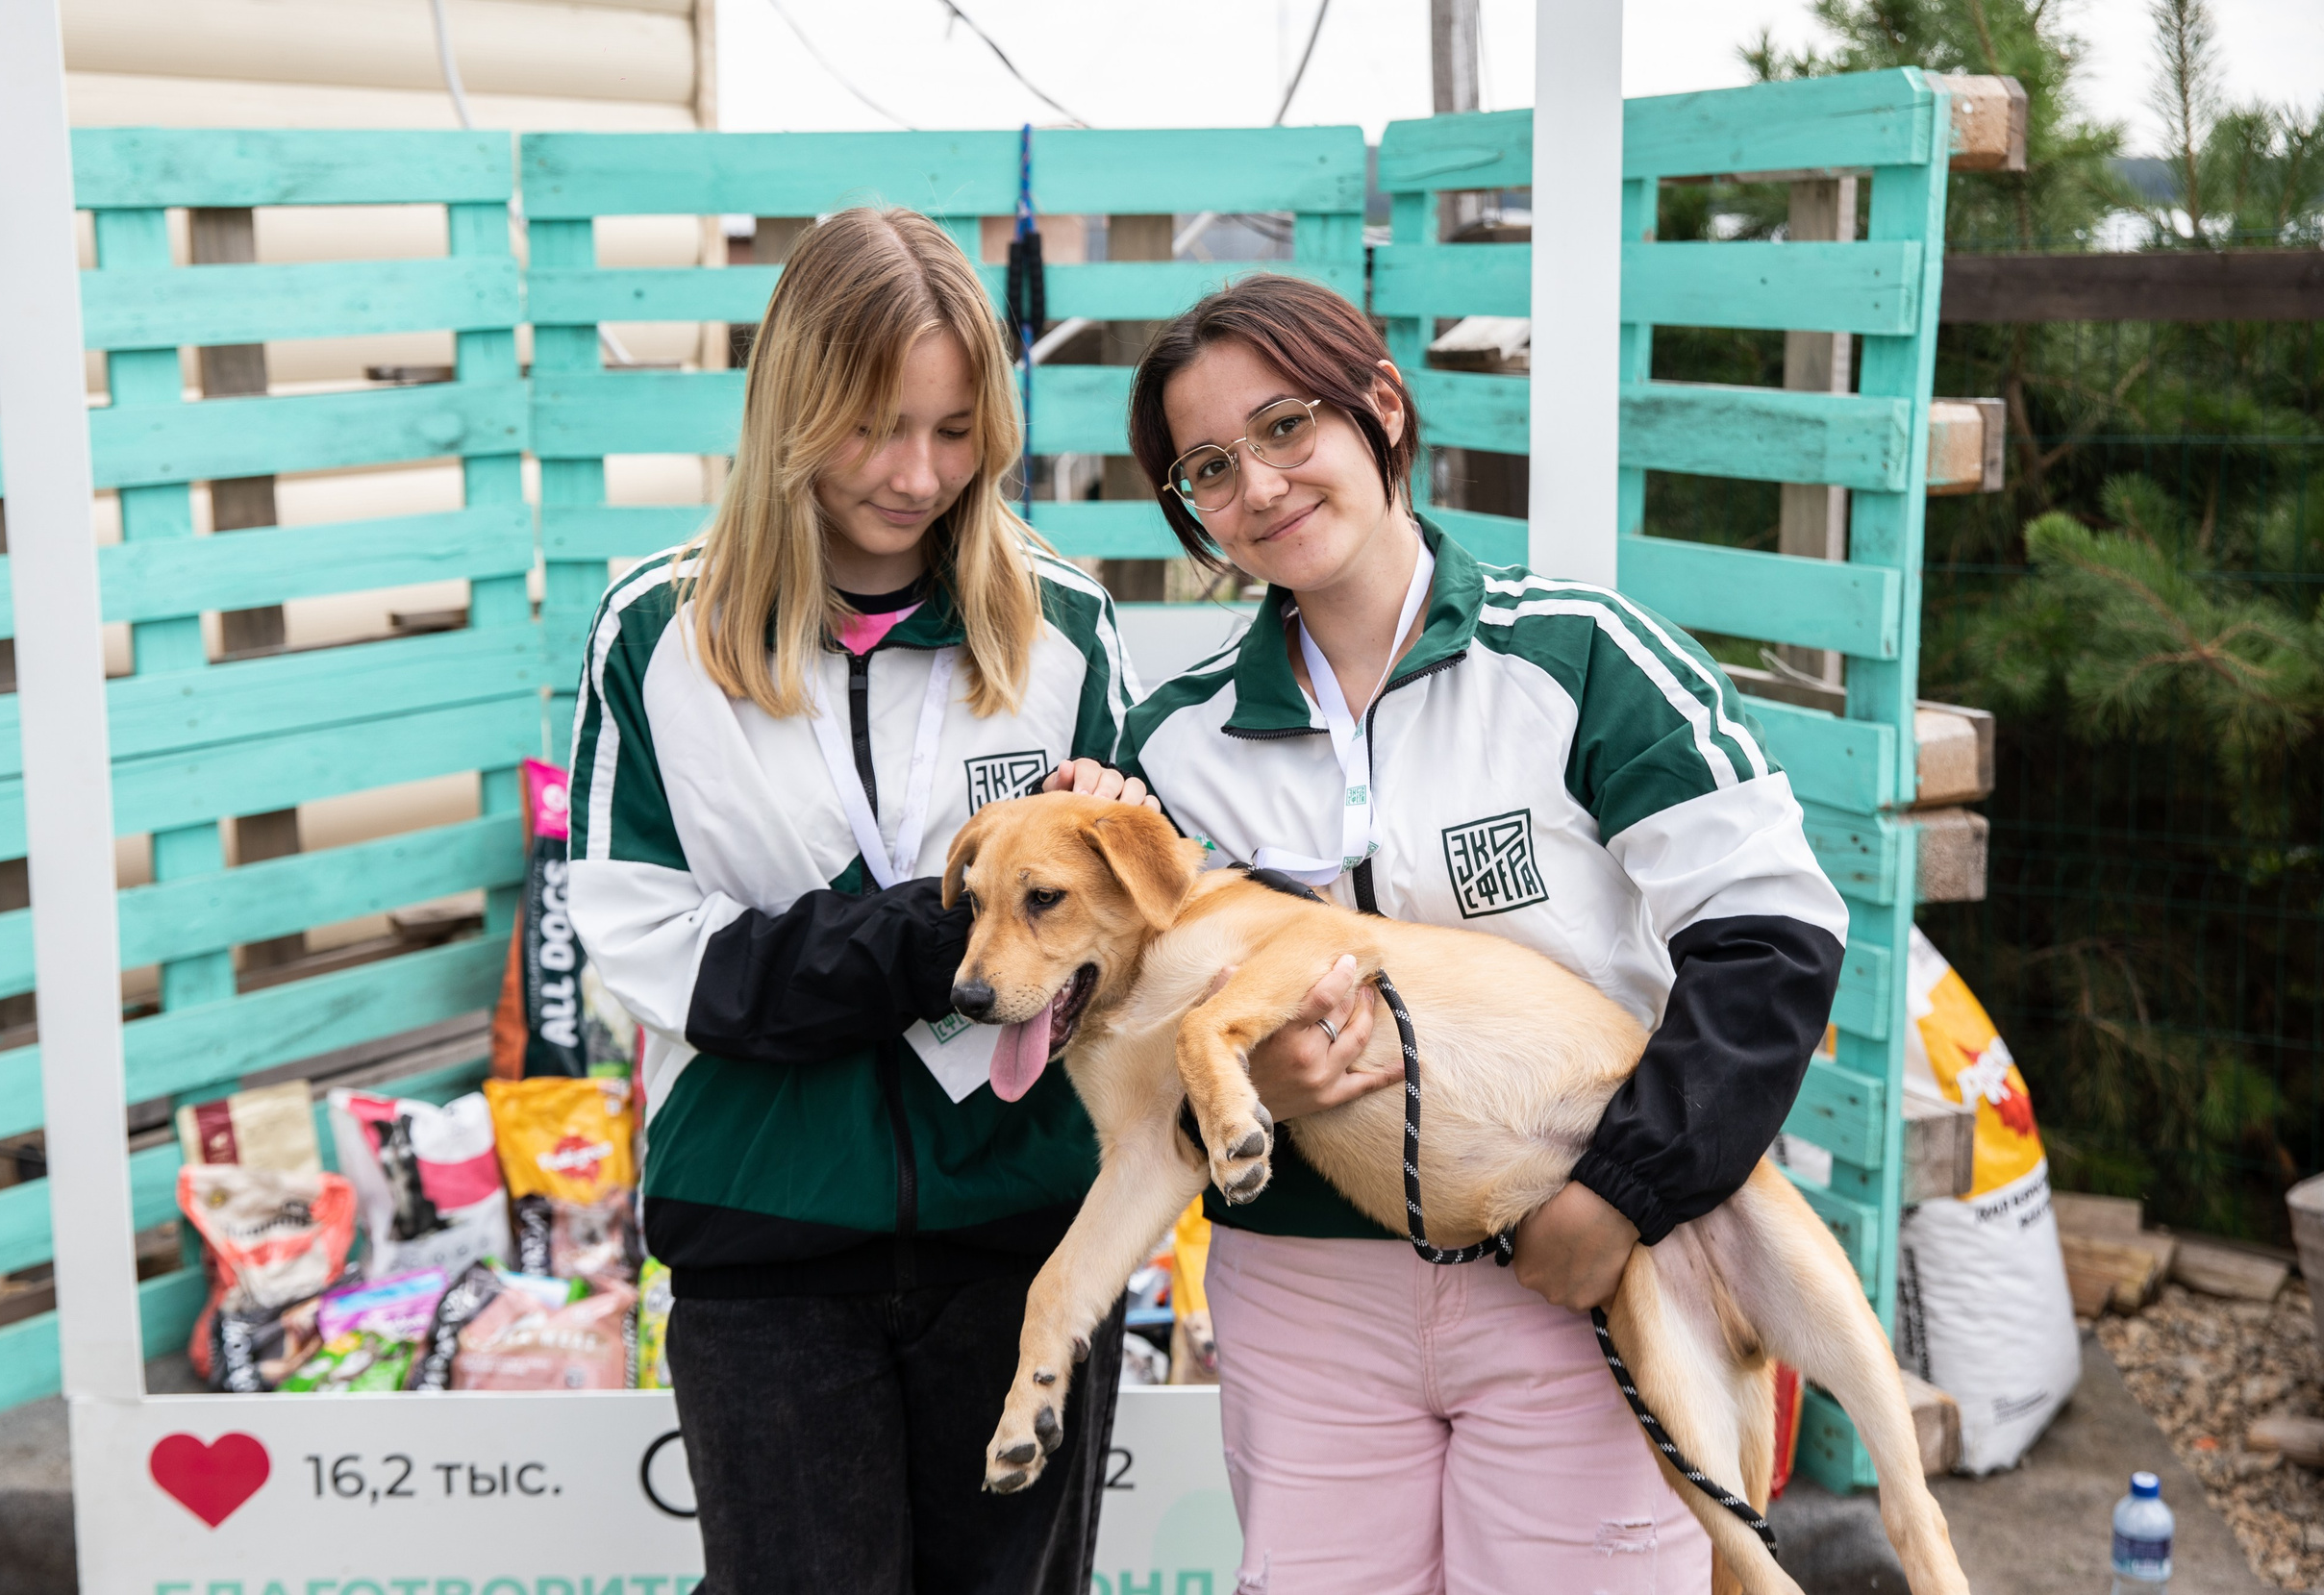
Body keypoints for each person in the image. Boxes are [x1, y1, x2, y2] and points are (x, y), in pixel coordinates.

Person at [1097, 273, 1851, 1592]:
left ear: (1380, 408)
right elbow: (1117, 1047)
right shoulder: (1173, 746)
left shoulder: (1585, 661)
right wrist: (1243, 1088)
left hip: (1578, 1271)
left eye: (1287, 429)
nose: (1261, 486)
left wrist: (1623, 1193)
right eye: (1209, 469)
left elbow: (1771, 936)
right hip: (1309, 1302)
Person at [563, 207, 1148, 1595]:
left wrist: (1101, 884)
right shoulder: (659, 631)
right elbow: (650, 952)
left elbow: (1127, 940)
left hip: (1025, 1244)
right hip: (767, 1246)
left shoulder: (1063, 628)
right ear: (792, 406)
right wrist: (942, 930)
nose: (916, 474)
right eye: (876, 426)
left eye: (955, 433)